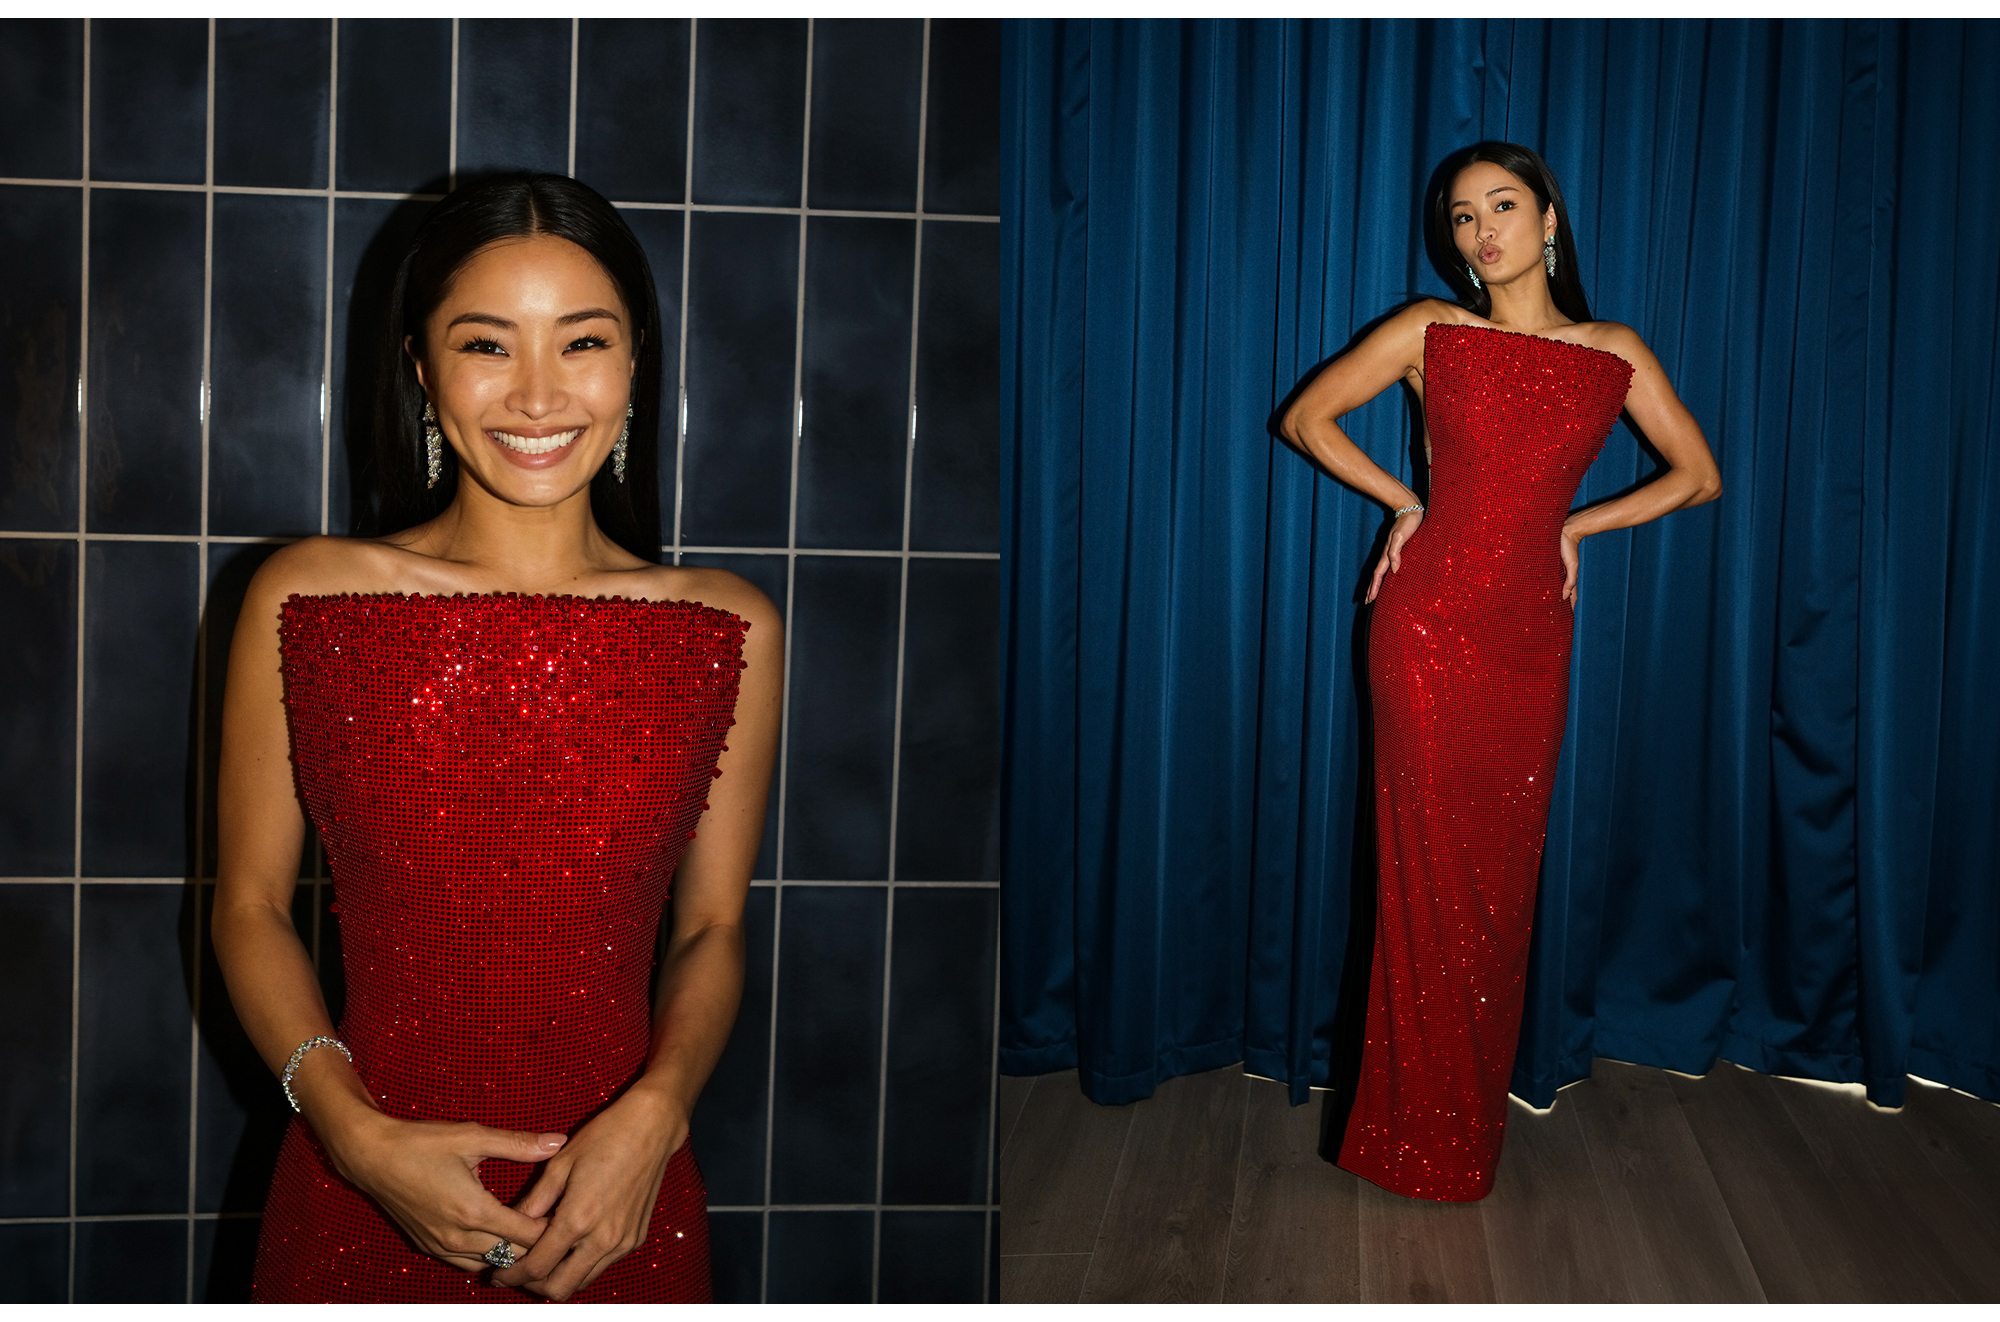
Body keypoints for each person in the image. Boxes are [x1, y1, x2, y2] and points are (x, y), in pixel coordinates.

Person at [211, 173, 783, 1299]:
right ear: (422, 369)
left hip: (617, 1198)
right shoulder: (306, 599)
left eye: (581, 342)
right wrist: (352, 1130)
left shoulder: (728, 624)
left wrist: (657, 1111)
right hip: (353, 1181)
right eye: (486, 343)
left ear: (632, 366)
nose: (534, 394)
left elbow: (713, 926)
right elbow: (247, 906)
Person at [1278, 142, 1721, 1201]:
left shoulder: (1610, 349)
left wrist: (1578, 521)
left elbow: (1697, 476)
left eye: (1503, 205)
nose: (1482, 230)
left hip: (1528, 634)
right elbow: (1305, 420)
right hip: (1426, 626)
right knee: (1423, 879)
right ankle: (1405, 1136)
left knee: (1494, 886)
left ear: (1549, 220)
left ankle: (1455, 1128)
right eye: (1463, 215)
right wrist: (1403, 502)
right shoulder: (1428, 330)